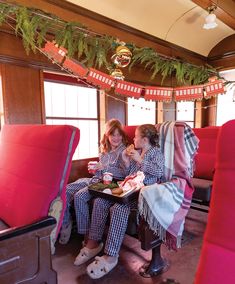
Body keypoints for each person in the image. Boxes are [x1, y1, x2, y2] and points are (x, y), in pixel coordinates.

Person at [74, 124, 165, 279]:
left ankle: (111, 255)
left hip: (143, 194)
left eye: (136, 136)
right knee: (100, 202)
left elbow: (159, 172)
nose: (133, 139)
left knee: (118, 209)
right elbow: (129, 174)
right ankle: (93, 243)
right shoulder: (136, 151)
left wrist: (140, 160)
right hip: (128, 189)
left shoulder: (155, 152)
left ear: (144, 140)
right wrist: (128, 161)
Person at [58, 119, 128, 244]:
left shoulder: (124, 151)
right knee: (66, 190)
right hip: (96, 180)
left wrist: (104, 168)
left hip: (112, 184)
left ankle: (86, 235)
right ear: (107, 135)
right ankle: (66, 223)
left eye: (119, 135)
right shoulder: (105, 150)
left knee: (79, 196)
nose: (116, 138)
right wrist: (94, 170)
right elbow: (99, 173)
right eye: (113, 135)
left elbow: (124, 174)